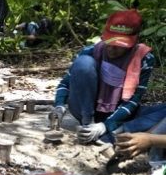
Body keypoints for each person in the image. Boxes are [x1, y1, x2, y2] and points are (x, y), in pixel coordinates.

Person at [49, 10, 157, 144]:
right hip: (85, 109)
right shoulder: (91, 51)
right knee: (84, 62)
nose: (112, 49)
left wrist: (105, 126)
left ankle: (110, 131)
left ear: (134, 42)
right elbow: (65, 84)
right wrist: (59, 106)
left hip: (118, 112)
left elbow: (133, 100)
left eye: (119, 46)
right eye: (109, 42)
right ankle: (87, 124)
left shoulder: (144, 59)